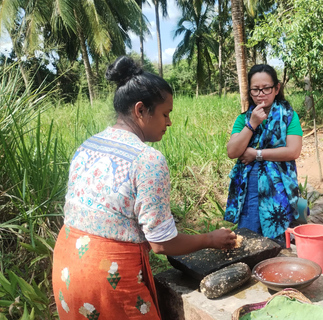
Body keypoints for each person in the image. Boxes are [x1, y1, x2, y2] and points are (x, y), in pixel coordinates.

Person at [52, 56, 236, 320]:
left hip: (68, 266)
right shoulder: (148, 160)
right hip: (108, 275)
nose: (169, 122)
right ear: (140, 110)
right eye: (165, 113)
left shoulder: (87, 145)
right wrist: (210, 239)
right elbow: (161, 244)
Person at [224, 64, 303, 243]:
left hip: (281, 187)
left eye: (266, 88)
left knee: (281, 240)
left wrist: (256, 154)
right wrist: (252, 124)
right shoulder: (243, 119)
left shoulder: (290, 116)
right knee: (249, 238)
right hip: (249, 188)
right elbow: (232, 151)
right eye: (255, 90)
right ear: (250, 92)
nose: (261, 94)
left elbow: (293, 150)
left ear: (276, 88)